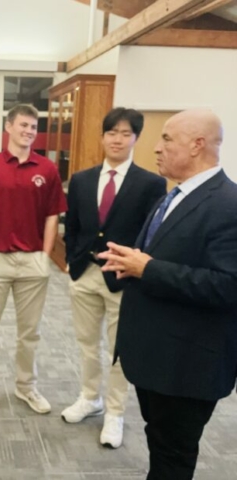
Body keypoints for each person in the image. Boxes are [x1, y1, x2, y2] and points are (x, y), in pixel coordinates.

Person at [99, 109, 237, 479]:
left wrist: (148, 268)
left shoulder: (229, 204)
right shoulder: (173, 195)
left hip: (188, 366)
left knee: (173, 459)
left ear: (197, 145)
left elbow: (229, 285)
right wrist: (131, 265)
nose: (156, 148)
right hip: (158, 359)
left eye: (166, 139)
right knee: (160, 447)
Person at [63, 108, 166, 448]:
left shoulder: (151, 183)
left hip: (123, 279)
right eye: (111, 132)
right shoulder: (81, 179)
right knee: (87, 343)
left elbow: (152, 235)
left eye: (125, 133)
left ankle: (115, 412)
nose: (117, 139)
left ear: (136, 138)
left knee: (120, 350)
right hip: (85, 273)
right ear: (103, 137)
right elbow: (73, 226)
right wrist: (72, 260)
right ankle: (89, 397)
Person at [0, 103, 67, 416]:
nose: (28, 132)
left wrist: (45, 256)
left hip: (32, 262)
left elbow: (52, 216)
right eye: (23, 125)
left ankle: (26, 387)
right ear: (8, 127)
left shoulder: (47, 170)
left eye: (33, 127)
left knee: (30, 333)